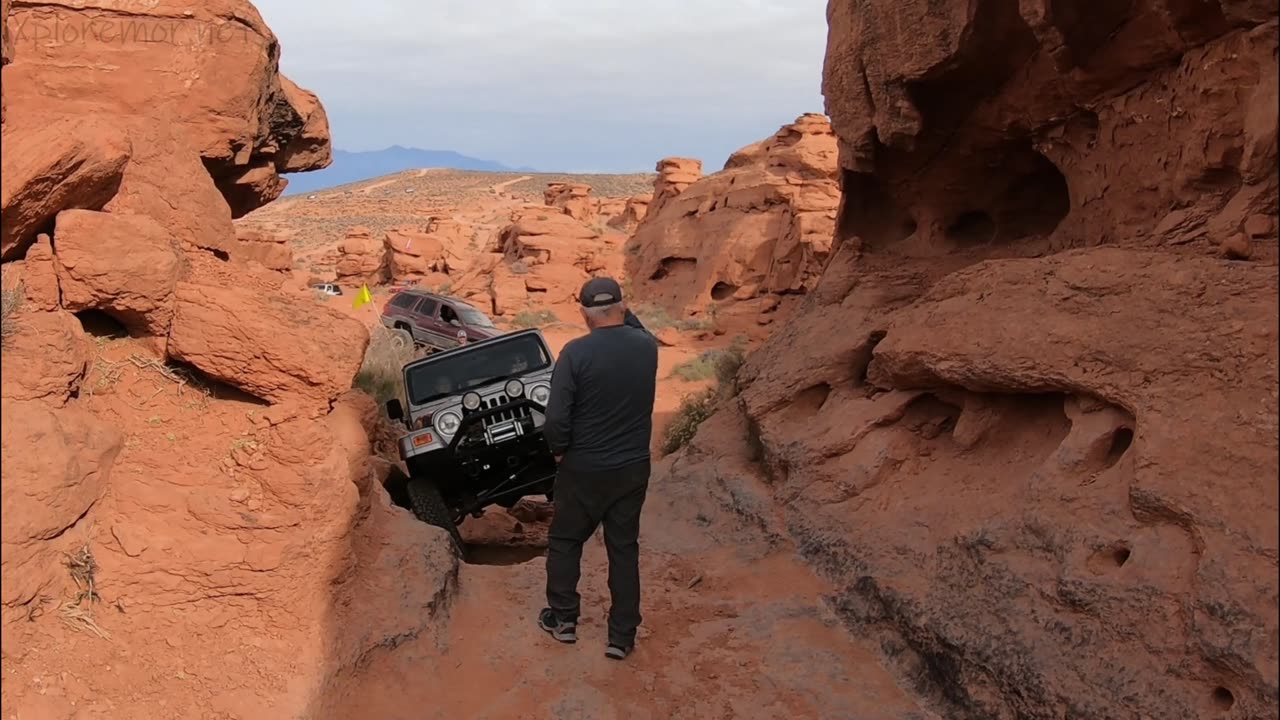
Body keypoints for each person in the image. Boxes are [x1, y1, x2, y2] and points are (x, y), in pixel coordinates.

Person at [539, 276, 659, 661]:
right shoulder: (647, 347)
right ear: (623, 307)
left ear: (583, 313)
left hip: (583, 468)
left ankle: (564, 620)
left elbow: (556, 418)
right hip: (632, 468)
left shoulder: (575, 353)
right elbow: (635, 325)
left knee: (565, 540)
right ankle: (621, 637)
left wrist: (559, 452)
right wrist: (622, 307)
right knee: (623, 548)